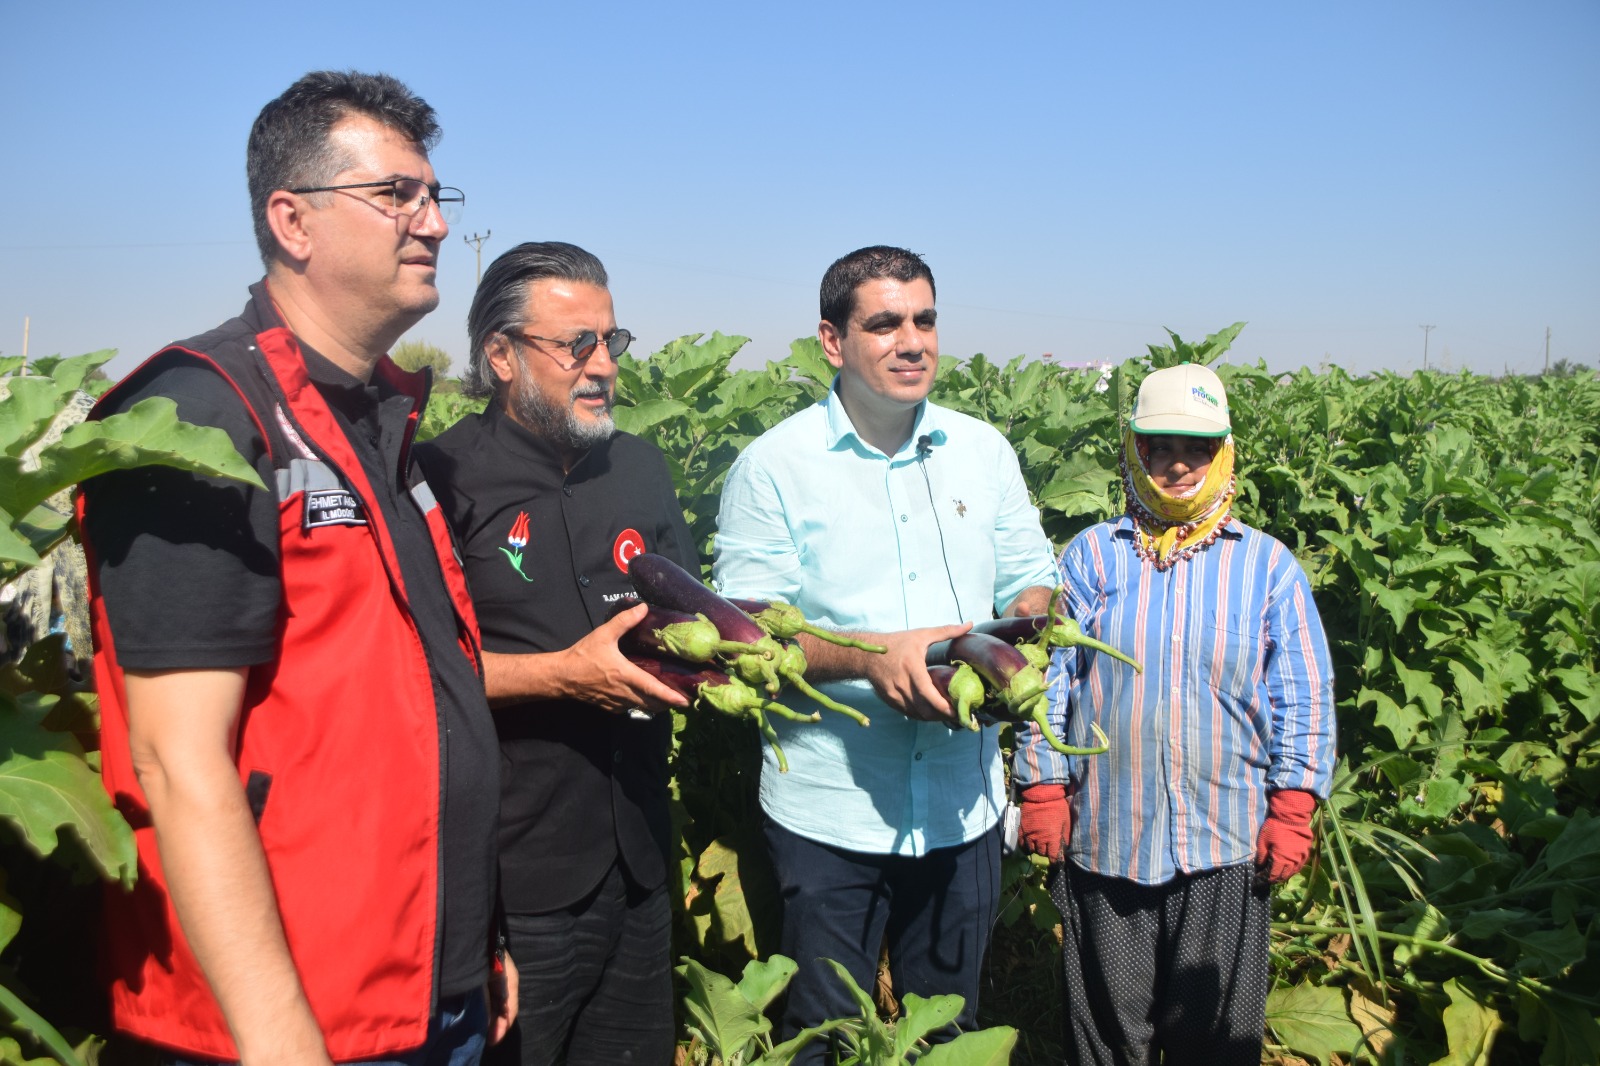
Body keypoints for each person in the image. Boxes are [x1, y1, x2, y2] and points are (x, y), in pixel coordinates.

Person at [78, 72, 511, 1065]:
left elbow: (413, 703)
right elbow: (175, 760)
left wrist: (471, 949)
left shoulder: (379, 417)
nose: (433, 223)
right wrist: (279, 1036)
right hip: (293, 1019)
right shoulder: (206, 413)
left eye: (436, 196)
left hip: (423, 990)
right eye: (396, 194)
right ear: (292, 220)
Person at [713, 245, 1058, 1059]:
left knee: (948, 1034)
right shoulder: (774, 468)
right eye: (885, 323)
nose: (912, 341)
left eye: (925, 319)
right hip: (829, 814)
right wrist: (872, 658)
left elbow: (1032, 582)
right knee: (821, 1035)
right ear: (833, 342)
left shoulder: (984, 452)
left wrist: (1015, 642)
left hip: (960, 808)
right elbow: (753, 629)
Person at [416, 241, 695, 1066]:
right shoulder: (442, 478)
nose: (602, 364)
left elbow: (685, 619)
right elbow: (413, 672)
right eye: (576, 344)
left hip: (639, 856)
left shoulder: (641, 468)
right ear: (500, 356)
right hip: (514, 878)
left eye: (612, 341)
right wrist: (563, 677)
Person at [1013, 362, 1336, 1065]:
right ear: (1136, 453)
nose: (1179, 465)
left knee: (1213, 1035)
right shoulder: (1093, 557)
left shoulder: (1267, 566)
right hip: (1109, 833)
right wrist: (1040, 785)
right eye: (1161, 448)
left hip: (1224, 837)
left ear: (1223, 456)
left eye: (1197, 449)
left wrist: (1294, 804)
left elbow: (1302, 694)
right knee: (1109, 1029)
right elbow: (1048, 677)